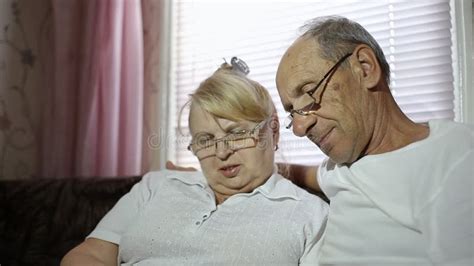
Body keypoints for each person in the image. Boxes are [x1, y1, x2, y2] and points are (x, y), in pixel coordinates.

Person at [61, 60, 328, 265]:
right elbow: (89, 255)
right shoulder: (157, 185)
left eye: (236, 134)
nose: (222, 153)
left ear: (273, 131)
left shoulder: (311, 216)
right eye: (206, 140)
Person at [275, 16, 473, 265]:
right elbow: (306, 174)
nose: (300, 128)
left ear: (365, 68)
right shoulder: (339, 165)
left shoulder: (455, 159)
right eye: (293, 112)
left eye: (309, 95)